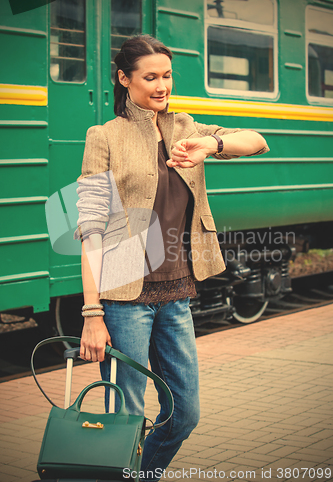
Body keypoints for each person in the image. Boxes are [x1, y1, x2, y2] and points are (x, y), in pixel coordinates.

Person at [74, 34, 269, 481]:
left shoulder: (185, 127)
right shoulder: (104, 136)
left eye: (166, 76)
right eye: (150, 77)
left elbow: (257, 141)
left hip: (177, 293)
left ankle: (143, 475)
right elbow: (91, 229)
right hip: (125, 298)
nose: (161, 85)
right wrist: (91, 313)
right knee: (124, 416)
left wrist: (211, 146)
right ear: (125, 79)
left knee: (184, 413)